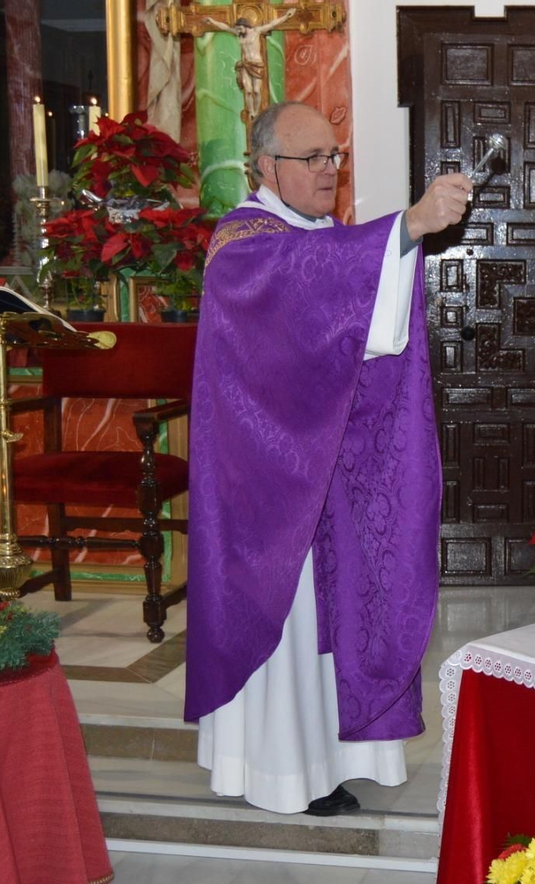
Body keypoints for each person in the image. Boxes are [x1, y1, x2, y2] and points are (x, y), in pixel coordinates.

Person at [186, 100, 471, 815]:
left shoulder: (318, 235)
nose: (328, 171)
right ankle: (284, 770)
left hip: (325, 471)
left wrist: (397, 240)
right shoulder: (242, 243)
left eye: (334, 157)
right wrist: (407, 225)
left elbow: (356, 325)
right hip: (269, 488)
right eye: (310, 159)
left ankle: (333, 756)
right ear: (264, 166)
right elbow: (299, 279)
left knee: (337, 617)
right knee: (292, 627)